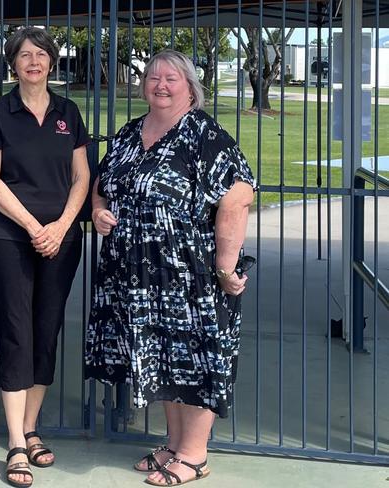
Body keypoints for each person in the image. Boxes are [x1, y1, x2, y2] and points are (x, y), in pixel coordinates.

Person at [85, 49, 256, 486]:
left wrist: (224, 264)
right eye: (153, 77)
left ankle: (195, 455)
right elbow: (102, 186)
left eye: (171, 79)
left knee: (196, 360)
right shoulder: (128, 133)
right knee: (164, 360)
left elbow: (238, 195)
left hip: (189, 273)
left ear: (190, 86)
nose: (160, 84)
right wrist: (100, 212)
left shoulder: (204, 134)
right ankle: (173, 443)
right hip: (135, 275)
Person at [0, 27, 90, 488]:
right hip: (10, 237)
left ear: (52, 62)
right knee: (17, 331)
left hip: (61, 238)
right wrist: (32, 227)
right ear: (13, 64)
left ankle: (31, 427)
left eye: (41, 55)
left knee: (46, 329)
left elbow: (83, 177)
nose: (33, 62)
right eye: (24, 55)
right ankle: (15, 444)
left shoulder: (69, 111)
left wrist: (61, 227)